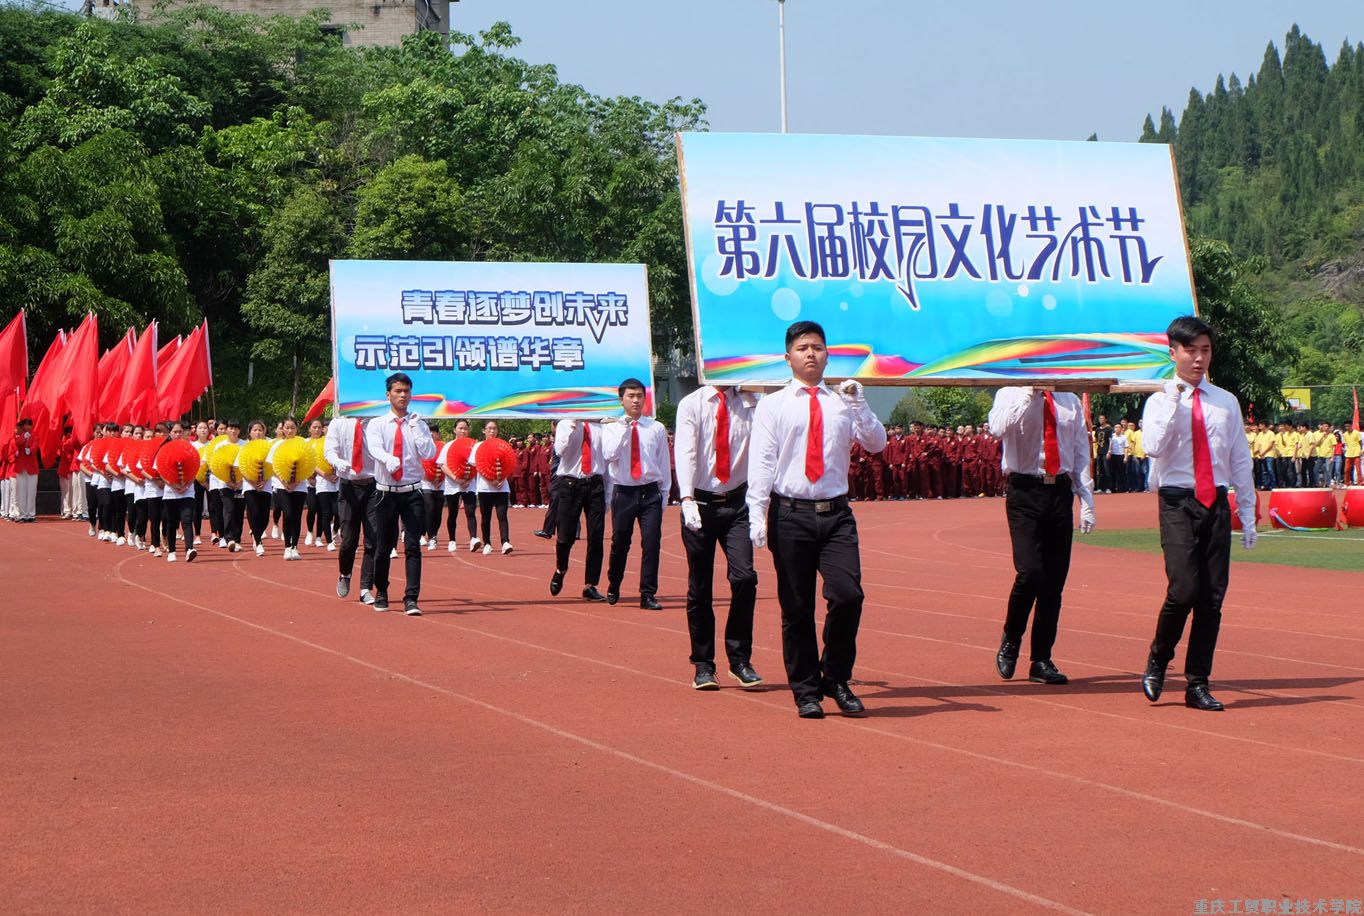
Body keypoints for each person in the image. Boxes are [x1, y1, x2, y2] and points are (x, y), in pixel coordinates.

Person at [747, 320, 887, 719]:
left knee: (848, 595)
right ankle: (806, 690)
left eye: (819, 348)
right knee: (796, 608)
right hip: (790, 514)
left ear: (828, 355)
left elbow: (876, 444)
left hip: (836, 514)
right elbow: (762, 462)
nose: (812, 354)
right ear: (788, 357)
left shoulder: (843, 401)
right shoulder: (773, 405)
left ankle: (836, 678)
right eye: (803, 347)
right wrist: (757, 513)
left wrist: (861, 405)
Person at [1139, 316, 1257, 712]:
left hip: (1216, 502)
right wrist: (1174, 399)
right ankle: (1159, 655)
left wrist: (1248, 509)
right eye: (1191, 350)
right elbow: (1153, 446)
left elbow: (1239, 457)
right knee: (1184, 589)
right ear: (1173, 352)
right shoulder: (1158, 401)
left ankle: (1197, 683)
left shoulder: (1226, 402)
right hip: (1177, 501)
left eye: (1205, 350)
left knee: (1212, 598)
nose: (1199, 358)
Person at [987, 387, 1097, 685]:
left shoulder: (1069, 399)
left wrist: (1086, 499)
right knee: (1030, 572)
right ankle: (1011, 639)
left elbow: (1079, 450)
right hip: (1024, 490)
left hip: (1059, 490)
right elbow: (997, 428)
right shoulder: (1009, 393)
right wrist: (1028, 395)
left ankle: (1041, 658)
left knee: (1054, 582)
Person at [674, 383, 762, 690]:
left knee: (745, 578)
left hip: (738, 503)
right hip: (699, 502)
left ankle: (739, 659)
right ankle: (703, 664)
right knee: (700, 585)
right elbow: (685, 451)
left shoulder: (753, 400)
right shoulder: (692, 404)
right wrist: (685, 499)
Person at [364, 372, 436, 615]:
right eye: (398, 391)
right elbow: (374, 448)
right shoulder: (377, 424)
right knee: (384, 545)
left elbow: (428, 453)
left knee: (414, 545)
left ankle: (411, 598)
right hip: (385, 492)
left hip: (413, 491)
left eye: (406, 391)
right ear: (388, 395)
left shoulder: (419, 423)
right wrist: (387, 459)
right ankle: (382, 592)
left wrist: (416, 429)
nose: (403, 395)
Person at [601, 378, 671, 609]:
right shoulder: (610, 427)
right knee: (620, 542)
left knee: (651, 543)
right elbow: (610, 454)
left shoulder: (656, 428)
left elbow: (663, 464)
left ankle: (648, 593)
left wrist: (664, 496)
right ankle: (614, 583)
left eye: (640, 396)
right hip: (624, 492)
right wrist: (624, 427)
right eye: (631, 396)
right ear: (621, 400)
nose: (636, 400)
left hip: (650, 492)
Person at [549, 417, 608, 601]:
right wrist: (572, 426)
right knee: (565, 536)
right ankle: (561, 568)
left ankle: (590, 585)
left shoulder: (602, 425)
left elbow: (608, 458)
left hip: (595, 484)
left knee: (596, 537)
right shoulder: (565, 424)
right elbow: (560, 451)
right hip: (570, 484)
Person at [324, 411, 378, 603]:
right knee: (349, 540)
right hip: (349, 486)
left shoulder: (377, 421)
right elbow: (329, 449)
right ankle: (345, 574)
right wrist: (337, 461)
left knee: (374, 538)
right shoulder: (339, 422)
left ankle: (365, 588)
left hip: (373, 485)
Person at [468, 419, 513, 555]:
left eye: (494, 428)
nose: (492, 431)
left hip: (501, 486)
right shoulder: (478, 446)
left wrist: (501, 478)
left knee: (502, 515)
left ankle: (505, 542)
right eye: (489, 428)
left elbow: (508, 464)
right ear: (484, 430)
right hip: (485, 487)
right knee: (485, 516)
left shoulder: (502, 446)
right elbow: (478, 465)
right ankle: (487, 543)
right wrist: (490, 480)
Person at [267, 417, 309, 561]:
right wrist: (284, 482)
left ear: (297, 429)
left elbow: (309, 465)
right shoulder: (277, 445)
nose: (290, 430)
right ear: (283, 429)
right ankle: (287, 546)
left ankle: (295, 547)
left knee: (297, 516)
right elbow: (272, 466)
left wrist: (296, 482)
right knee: (288, 514)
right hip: (281, 485)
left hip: (300, 486)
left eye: (292, 428)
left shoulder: (303, 444)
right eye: (287, 428)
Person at [235, 419, 274, 557]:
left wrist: (264, 481)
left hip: (266, 485)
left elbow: (274, 466)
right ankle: (258, 543)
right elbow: (241, 467)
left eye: (260, 430)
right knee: (254, 512)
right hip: (249, 486)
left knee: (264, 517)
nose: (257, 432)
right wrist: (252, 482)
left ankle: (255, 530)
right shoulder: (244, 448)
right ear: (250, 432)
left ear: (264, 432)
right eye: (255, 430)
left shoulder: (270, 447)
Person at [161, 421, 198, 563]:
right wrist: (174, 485)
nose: (177, 434)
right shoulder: (164, 449)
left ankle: (189, 548)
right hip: (171, 492)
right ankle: (172, 550)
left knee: (187, 520)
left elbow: (195, 468)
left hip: (187, 491)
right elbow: (161, 471)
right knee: (172, 522)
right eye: (175, 432)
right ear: (170, 433)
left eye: (180, 432)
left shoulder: (189, 448)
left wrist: (186, 485)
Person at [439, 418, 477, 552]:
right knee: (453, 512)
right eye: (460, 428)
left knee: (470, 511)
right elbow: (442, 465)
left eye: (465, 428)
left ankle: (473, 538)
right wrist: (456, 478)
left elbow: (479, 464)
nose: (463, 431)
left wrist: (468, 479)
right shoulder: (448, 446)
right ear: (454, 430)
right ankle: (452, 540)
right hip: (452, 484)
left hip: (469, 484)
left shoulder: (474, 446)